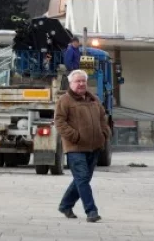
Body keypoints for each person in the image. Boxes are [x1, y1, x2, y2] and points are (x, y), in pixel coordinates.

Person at [55, 69, 111, 223]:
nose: (80, 84)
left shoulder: (94, 100)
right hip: (75, 148)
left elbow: (102, 119)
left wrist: (104, 134)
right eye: (77, 81)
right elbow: (59, 122)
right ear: (71, 83)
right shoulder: (64, 101)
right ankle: (91, 211)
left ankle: (65, 205)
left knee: (83, 179)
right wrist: (75, 136)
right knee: (82, 178)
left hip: (94, 147)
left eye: (83, 81)